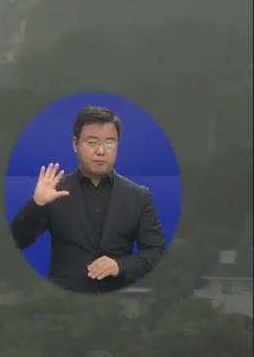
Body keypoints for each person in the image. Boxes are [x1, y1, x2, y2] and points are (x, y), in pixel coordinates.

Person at [10, 106, 166, 293]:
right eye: (92, 143)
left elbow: (155, 253)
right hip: (63, 303)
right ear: (75, 144)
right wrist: (37, 204)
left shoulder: (138, 196)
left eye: (109, 143)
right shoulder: (55, 191)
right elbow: (17, 240)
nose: (101, 151)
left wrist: (120, 266)